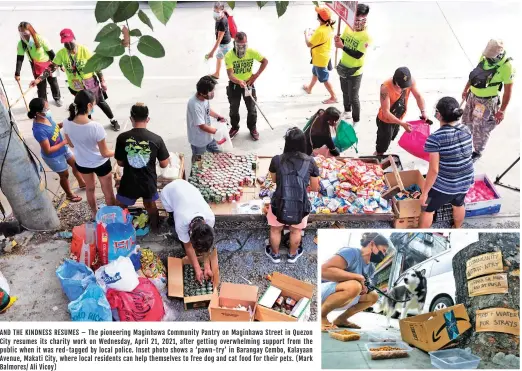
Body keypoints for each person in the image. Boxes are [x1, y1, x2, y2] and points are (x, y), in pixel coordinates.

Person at [30, 28, 120, 132]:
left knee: (100, 102)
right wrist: (38, 79)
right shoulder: (61, 53)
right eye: (65, 42)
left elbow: (96, 66)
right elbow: (52, 67)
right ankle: (89, 126)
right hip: (76, 86)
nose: (68, 44)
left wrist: (102, 81)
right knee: (84, 106)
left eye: (69, 41)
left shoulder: (84, 50)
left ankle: (113, 120)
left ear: (74, 38)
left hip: (90, 83)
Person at [265, 127, 320, 264]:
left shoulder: (277, 160)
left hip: (279, 202)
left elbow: (273, 180)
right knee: (296, 230)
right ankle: (292, 255)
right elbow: (314, 187)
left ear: (287, 143)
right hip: (300, 204)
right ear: (303, 143)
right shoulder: (310, 161)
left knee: (275, 229)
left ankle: (275, 255)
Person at [419, 97, 474, 229]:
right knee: (459, 204)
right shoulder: (466, 129)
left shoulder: (435, 138)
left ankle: (420, 231)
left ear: (438, 115)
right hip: (465, 181)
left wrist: (425, 193)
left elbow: (434, 170)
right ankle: (458, 228)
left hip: (445, 185)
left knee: (427, 209)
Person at [115, 103, 170, 232]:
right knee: (150, 205)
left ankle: (119, 228)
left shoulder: (122, 138)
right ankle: (155, 228)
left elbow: (120, 163)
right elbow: (164, 163)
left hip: (129, 181)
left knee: (121, 205)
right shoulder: (156, 139)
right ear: (148, 119)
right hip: (148, 181)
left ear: (131, 119)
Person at [62, 90, 115, 219]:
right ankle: (112, 215)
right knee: (107, 190)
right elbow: (105, 153)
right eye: (94, 105)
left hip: (82, 163)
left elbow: (71, 144)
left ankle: (94, 213)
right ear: (89, 106)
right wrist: (118, 151)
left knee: (90, 188)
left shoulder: (67, 122)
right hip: (100, 163)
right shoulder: (96, 127)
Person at [321, 233, 389, 331]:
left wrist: (365, 288)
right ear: (372, 244)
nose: (383, 255)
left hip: (345, 297)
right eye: (383, 250)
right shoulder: (351, 252)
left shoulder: (371, 268)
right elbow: (324, 270)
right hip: (325, 291)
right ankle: (322, 316)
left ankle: (341, 319)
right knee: (355, 286)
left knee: (373, 296)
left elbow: (364, 285)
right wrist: (357, 277)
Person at [461, 39, 515, 161]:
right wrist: (466, 89)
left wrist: (502, 111)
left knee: (480, 127)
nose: (487, 58)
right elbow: (475, 75)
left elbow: (508, 91)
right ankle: (466, 142)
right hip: (472, 97)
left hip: (485, 102)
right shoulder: (484, 57)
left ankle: (477, 151)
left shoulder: (506, 67)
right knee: (467, 121)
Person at [28, 98, 84, 202]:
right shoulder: (39, 130)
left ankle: (81, 182)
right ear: (38, 113)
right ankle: (69, 194)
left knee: (76, 164)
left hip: (63, 149)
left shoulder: (46, 117)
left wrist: (64, 124)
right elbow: (48, 150)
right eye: (46, 108)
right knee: (64, 175)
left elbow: (54, 128)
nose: (48, 110)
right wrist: (64, 142)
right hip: (54, 157)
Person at [160, 179, 215, 283]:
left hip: (187, 188)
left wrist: (207, 266)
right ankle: (171, 220)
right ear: (190, 234)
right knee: (172, 221)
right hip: (169, 193)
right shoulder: (181, 222)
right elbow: (188, 246)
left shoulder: (210, 218)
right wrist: (197, 269)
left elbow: (207, 243)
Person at [225, 31, 268, 141]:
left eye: (244, 45)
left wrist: (255, 76)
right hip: (235, 86)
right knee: (234, 109)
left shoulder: (251, 52)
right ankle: (235, 127)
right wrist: (239, 81)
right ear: (235, 43)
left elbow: (265, 61)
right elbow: (230, 75)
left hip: (249, 84)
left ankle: (252, 128)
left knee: (252, 109)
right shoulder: (229, 55)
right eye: (239, 45)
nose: (242, 47)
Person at [375, 67, 427, 155]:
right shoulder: (385, 88)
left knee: (391, 137)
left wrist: (423, 111)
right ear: (396, 82)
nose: (406, 88)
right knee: (382, 147)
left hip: (398, 118)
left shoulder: (410, 82)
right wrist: (402, 124)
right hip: (385, 121)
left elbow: (418, 96)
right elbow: (386, 112)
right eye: (403, 86)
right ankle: (377, 158)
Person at [334, 4, 372, 124]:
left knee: (354, 97)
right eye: (354, 19)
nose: (355, 22)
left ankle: (356, 120)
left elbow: (358, 55)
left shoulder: (366, 36)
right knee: (344, 92)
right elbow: (344, 40)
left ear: (364, 18)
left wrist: (342, 46)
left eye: (358, 20)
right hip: (343, 66)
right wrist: (339, 41)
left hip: (355, 71)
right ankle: (347, 111)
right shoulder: (348, 27)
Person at [15, 22, 62, 106]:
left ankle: (57, 98)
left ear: (31, 31)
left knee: (53, 82)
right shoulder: (21, 43)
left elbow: (51, 53)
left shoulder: (41, 39)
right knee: (41, 86)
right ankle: (44, 104)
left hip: (49, 64)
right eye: (20, 33)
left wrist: (60, 65)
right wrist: (17, 73)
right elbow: (20, 58)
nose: (23, 35)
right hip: (36, 66)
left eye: (25, 33)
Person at [187, 76, 227, 163]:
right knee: (198, 164)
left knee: (219, 155)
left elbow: (208, 110)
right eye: (211, 92)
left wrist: (218, 117)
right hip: (199, 141)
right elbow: (202, 126)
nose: (213, 93)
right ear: (202, 93)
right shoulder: (195, 105)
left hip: (209, 137)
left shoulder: (204, 98)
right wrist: (217, 132)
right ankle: (196, 175)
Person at [303, 6, 337, 105]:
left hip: (320, 59)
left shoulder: (320, 31)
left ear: (319, 18)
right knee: (315, 73)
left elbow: (309, 44)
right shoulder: (329, 26)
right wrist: (313, 33)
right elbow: (321, 36)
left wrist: (306, 34)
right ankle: (309, 88)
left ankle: (333, 96)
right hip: (323, 55)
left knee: (324, 79)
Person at [207, 2, 232, 80]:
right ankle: (217, 73)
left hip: (224, 45)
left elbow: (219, 40)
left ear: (222, 11)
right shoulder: (220, 17)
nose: (215, 13)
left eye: (217, 12)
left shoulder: (222, 22)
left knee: (229, 62)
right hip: (223, 44)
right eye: (214, 11)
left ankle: (235, 77)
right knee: (219, 57)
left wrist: (211, 52)